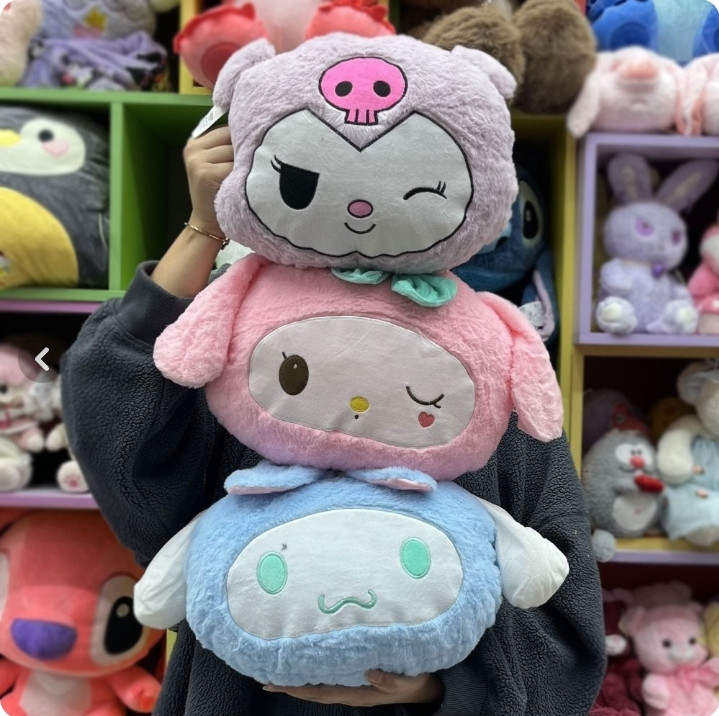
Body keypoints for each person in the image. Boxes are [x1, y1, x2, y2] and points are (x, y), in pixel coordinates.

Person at [61, 126, 606, 716]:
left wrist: (444, 684)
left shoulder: (484, 367)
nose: (361, 201)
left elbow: (564, 601)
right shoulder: (246, 346)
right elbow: (117, 435)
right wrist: (205, 228)